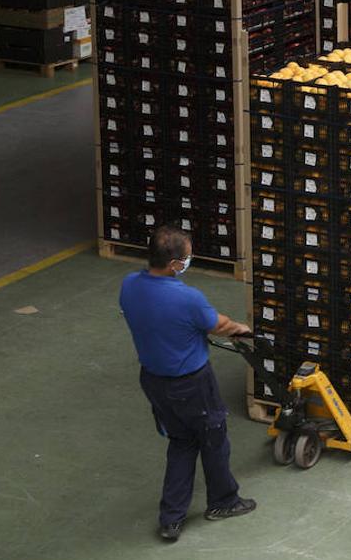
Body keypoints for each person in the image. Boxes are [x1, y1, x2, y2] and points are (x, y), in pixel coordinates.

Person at [119, 225, 256, 542]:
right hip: (191, 384)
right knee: (214, 438)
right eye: (187, 257)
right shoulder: (186, 297)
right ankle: (224, 501)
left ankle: (171, 518)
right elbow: (218, 324)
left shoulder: (129, 286)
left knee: (181, 442)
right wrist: (241, 328)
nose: (188, 260)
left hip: (154, 381)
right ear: (174, 265)